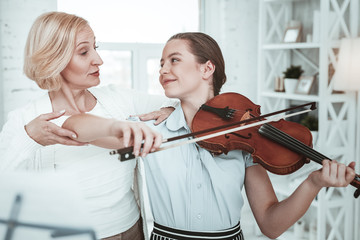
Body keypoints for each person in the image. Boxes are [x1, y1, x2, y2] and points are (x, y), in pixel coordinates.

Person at [62, 32, 356, 240]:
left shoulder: (245, 137)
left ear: (207, 68)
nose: (163, 69)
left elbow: (270, 225)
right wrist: (118, 127)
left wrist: (314, 182)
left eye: (174, 60)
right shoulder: (150, 130)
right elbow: (76, 125)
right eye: (161, 63)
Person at [0, 11, 179, 240]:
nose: (98, 59)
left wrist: (169, 110)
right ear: (54, 58)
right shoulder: (24, 119)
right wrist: (28, 138)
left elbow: (180, 100)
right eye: (84, 52)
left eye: (96, 47)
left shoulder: (119, 99)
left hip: (132, 229)